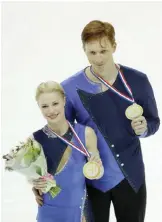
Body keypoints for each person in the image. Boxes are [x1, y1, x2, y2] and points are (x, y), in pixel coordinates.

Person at [33, 20, 160, 222]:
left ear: (114, 46)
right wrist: (43, 178)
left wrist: (145, 128)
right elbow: (62, 135)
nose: (99, 58)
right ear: (84, 50)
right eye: (92, 53)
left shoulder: (137, 80)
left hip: (130, 177)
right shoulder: (70, 87)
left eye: (103, 51)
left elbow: (154, 121)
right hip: (90, 179)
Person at [26, 81, 104, 222]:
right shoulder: (35, 140)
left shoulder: (86, 134)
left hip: (78, 213)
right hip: (48, 212)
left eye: (55, 104)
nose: (51, 111)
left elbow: (97, 171)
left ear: (64, 101)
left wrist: (97, 165)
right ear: (39, 107)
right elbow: (31, 176)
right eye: (44, 106)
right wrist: (35, 183)